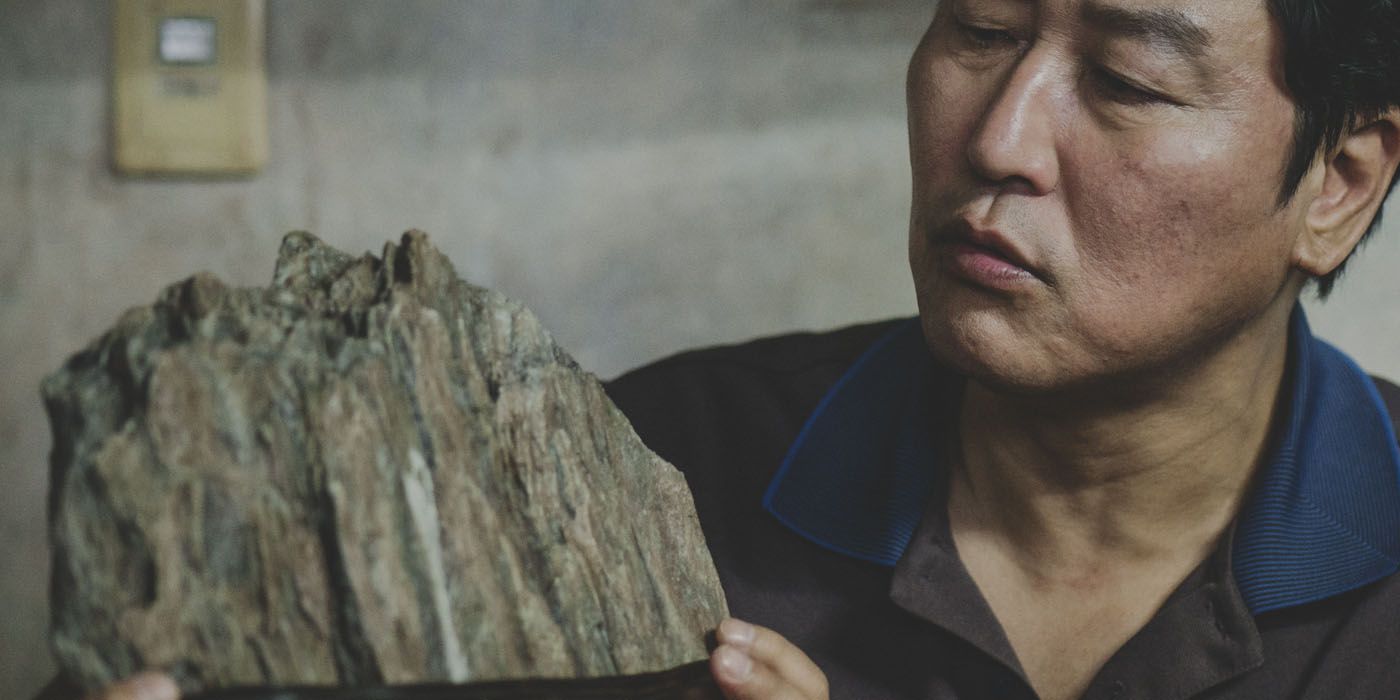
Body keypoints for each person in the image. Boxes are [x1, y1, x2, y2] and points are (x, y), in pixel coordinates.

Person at [82, 0, 1400, 698]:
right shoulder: (624, 472)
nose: (1001, 136)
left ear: (1338, 180)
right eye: (980, 32)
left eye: (1124, 80)